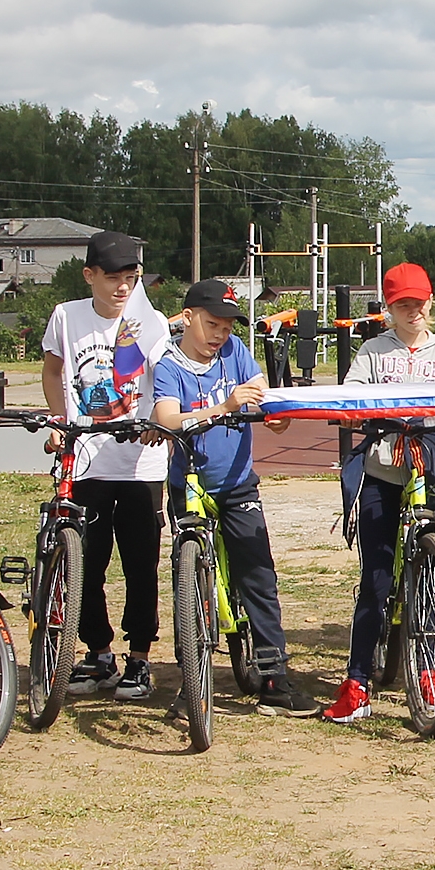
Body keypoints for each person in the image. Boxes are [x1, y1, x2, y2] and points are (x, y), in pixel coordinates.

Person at [325, 263, 435, 724]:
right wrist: (352, 412)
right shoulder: (373, 351)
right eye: (402, 305)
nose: (412, 312)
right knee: (375, 580)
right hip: (382, 470)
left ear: (431, 304)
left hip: (430, 471)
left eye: (419, 303)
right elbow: (350, 393)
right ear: (388, 308)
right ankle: (357, 682)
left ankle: (432, 671)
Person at [151, 280, 316, 717]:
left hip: (238, 482)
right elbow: (167, 419)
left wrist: (275, 416)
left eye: (226, 326)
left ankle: (275, 675)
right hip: (188, 481)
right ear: (187, 318)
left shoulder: (236, 352)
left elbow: (263, 397)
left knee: (257, 575)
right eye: (212, 324)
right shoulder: (169, 365)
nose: (219, 334)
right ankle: (192, 680)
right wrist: (223, 408)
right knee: (188, 580)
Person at [41, 230, 170, 700]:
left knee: (141, 564)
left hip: (140, 462)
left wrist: (161, 419)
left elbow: (167, 378)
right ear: (89, 276)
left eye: (130, 278)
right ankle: (98, 652)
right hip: (88, 459)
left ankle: (139, 657)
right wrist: (59, 420)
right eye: (112, 278)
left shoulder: (149, 321)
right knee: (85, 563)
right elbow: (53, 370)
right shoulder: (66, 317)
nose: (122, 288)